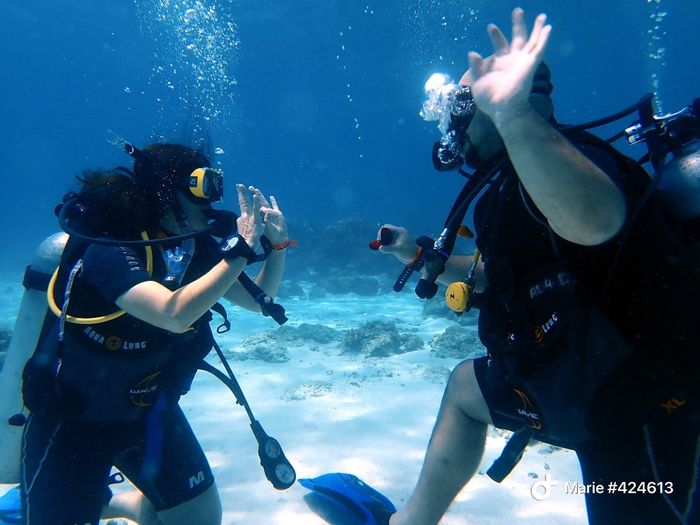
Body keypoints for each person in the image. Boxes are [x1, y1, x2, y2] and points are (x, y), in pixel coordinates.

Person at [372, 8, 699, 525]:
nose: (455, 120)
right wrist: (415, 254)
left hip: (642, 411)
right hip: (577, 390)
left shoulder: (569, 162)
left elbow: (596, 221)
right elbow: (494, 274)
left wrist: (514, 118)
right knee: (465, 388)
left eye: (468, 101)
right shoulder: (505, 187)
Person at [19, 142, 290, 525]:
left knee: (200, 518)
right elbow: (173, 314)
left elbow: (262, 299)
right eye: (202, 187)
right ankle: (95, 502)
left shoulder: (192, 247)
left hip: (148, 411)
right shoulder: (109, 248)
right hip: (74, 420)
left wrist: (277, 246)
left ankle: (112, 504)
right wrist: (240, 249)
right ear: (168, 191)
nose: (212, 201)